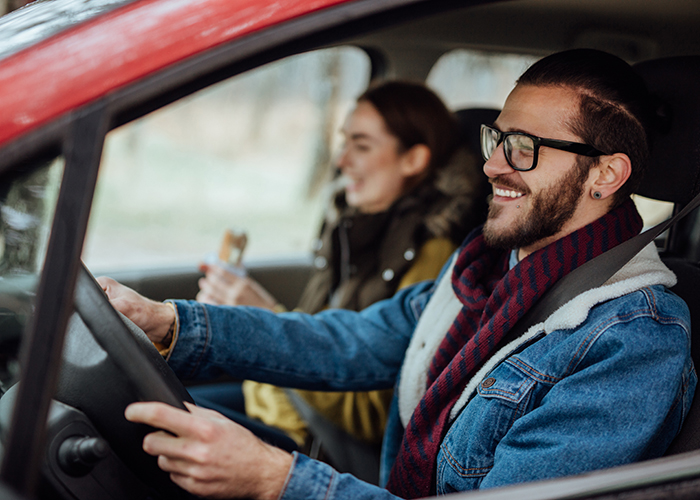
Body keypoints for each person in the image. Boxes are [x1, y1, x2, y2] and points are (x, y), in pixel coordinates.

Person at [100, 49, 696, 500]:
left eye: (522, 146)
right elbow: (352, 341)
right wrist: (174, 322)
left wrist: (276, 478)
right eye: (497, 138)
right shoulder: (487, 269)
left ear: (606, 175)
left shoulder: (633, 340)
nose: (492, 164)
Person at [191, 81, 487, 449]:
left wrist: (265, 314)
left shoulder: (434, 258)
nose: (342, 160)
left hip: (323, 447)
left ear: (413, 159)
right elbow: (321, 330)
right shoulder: (350, 229)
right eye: (344, 141)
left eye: (361, 146)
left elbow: (376, 416)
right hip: (285, 407)